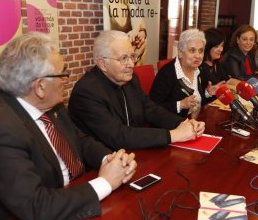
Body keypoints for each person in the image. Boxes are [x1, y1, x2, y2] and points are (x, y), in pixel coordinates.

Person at [0, 32, 137, 220]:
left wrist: (110, 160)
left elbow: (79, 140)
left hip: (63, 207)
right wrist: (106, 182)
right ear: (40, 86)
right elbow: (36, 207)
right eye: (62, 75)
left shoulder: (49, 104)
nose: (66, 80)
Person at [68, 30, 205, 150]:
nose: (131, 64)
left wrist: (183, 124)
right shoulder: (86, 92)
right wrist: (172, 135)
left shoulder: (131, 79)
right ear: (102, 63)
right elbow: (117, 135)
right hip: (103, 165)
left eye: (132, 56)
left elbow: (150, 109)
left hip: (135, 151)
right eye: (123, 58)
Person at [149, 29, 225, 118]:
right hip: (174, 128)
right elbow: (152, 109)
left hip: (195, 123)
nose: (198, 56)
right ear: (180, 52)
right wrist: (180, 104)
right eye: (192, 50)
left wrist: (208, 93)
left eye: (200, 51)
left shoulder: (199, 70)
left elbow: (197, 103)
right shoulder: (167, 73)